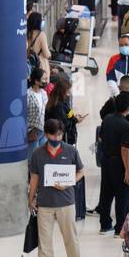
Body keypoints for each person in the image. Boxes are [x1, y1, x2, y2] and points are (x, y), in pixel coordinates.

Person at [28, 117, 85, 257]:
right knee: (44, 241)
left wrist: (69, 182)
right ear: (46, 135)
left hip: (66, 202)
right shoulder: (38, 154)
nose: (57, 139)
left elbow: (80, 172)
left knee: (70, 237)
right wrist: (31, 199)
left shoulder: (70, 151)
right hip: (44, 204)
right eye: (53, 136)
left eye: (59, 135)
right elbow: (34, 178)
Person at [46, 74, 88, 219]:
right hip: (63, 141)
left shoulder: (61, 103)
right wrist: (75, 121)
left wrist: (74, 118)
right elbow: (62, 125)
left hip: (66, 140)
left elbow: (68, 118)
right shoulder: (58, 106)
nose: (70, 93)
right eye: (68, 90)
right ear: (63, 91)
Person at [97, 92, 129, 236]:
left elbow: (101, 138)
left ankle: (104, 224)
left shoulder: (107, 119)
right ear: (127, 108)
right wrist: (128, 170)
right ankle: (120, 227)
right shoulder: (127, 126)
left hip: (106, 160)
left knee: (106, 193)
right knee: (122, 195)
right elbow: (124, 149)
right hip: (119, 162)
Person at [25, 67, 48, 155]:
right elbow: (24, 114)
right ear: (36, 81)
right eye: (44, 79)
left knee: (43, 157)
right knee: (33, 158)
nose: (46, 81)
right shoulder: (28, 94)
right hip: (32, 132)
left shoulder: (44, 93)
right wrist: (28, 132)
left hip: (43, 131)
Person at [26, 9, 51, 83]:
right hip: (41, 64)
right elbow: (46, 54)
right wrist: (50, 54)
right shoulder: (41, 34)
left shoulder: (27, 33)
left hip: (30, 64)